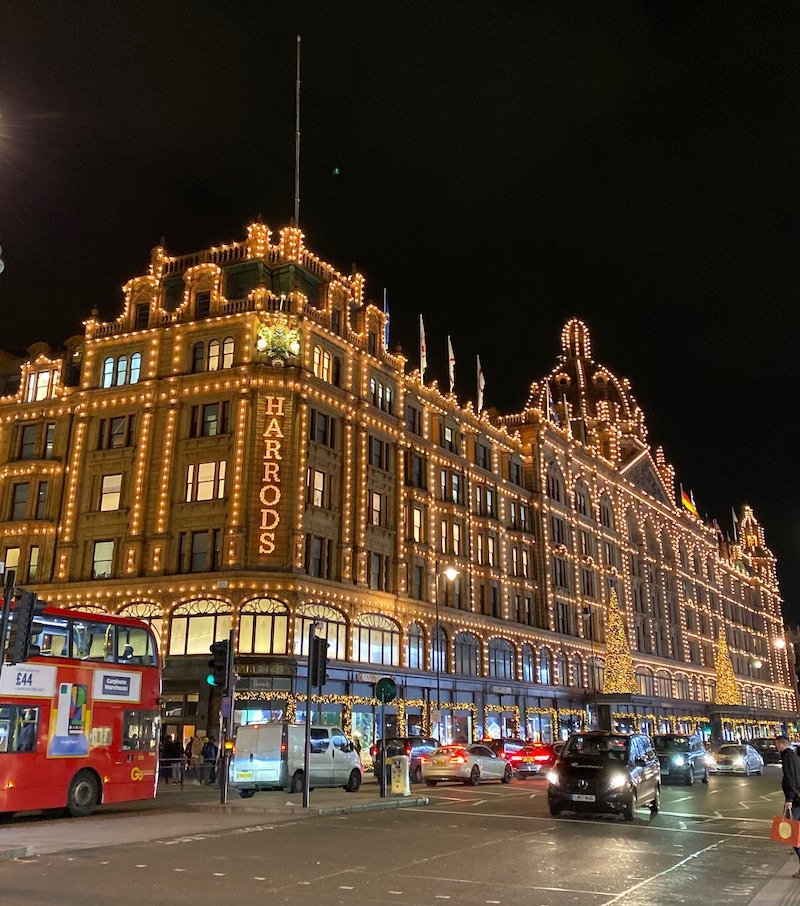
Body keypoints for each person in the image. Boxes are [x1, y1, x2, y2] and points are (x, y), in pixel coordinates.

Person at [776, 735, 800, 877]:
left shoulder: (787, 757)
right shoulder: (795, 757)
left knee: (791, 833)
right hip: (798, 798)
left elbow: (790, 778)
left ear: (781, 744)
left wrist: (789, 798)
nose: (776, 748)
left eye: (776, 745)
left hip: (795, 800)